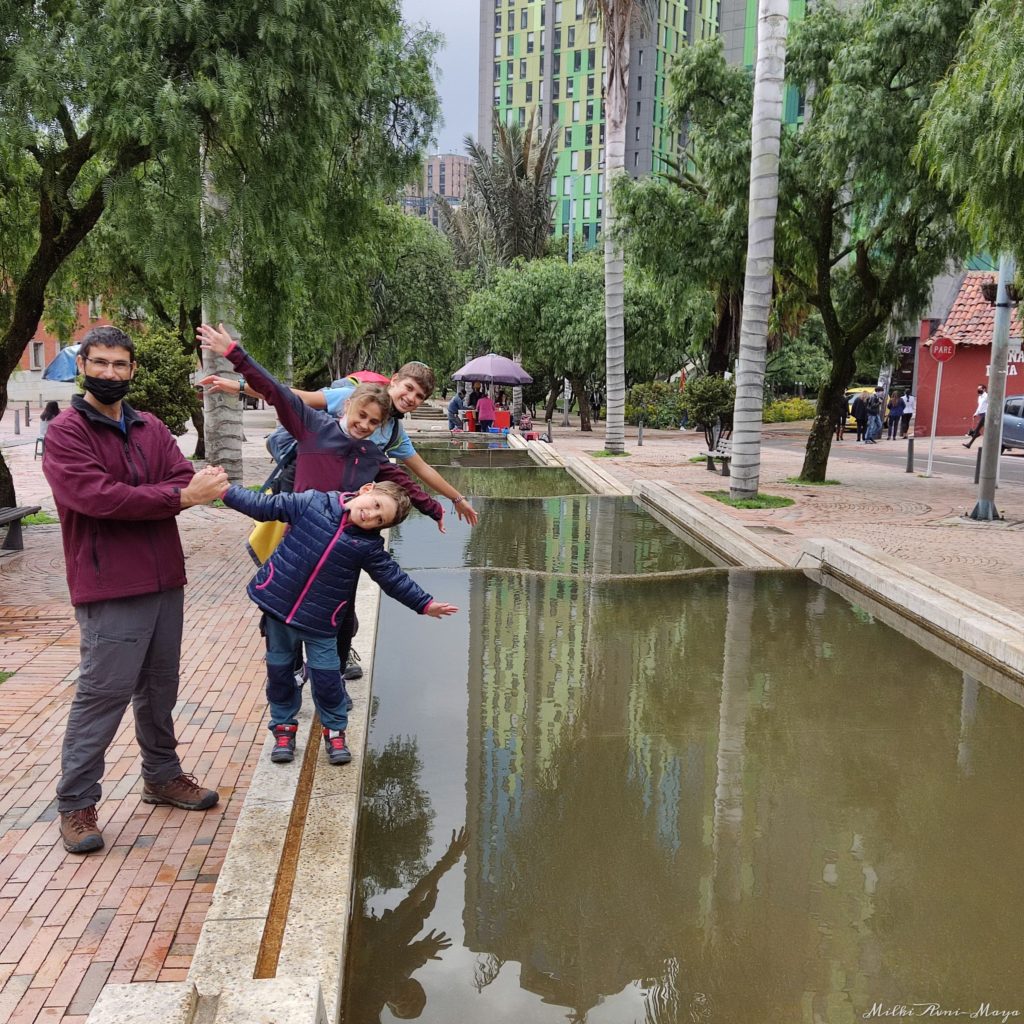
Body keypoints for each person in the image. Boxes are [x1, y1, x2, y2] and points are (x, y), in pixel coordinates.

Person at [41, 326, 227, 855]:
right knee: (103, 695)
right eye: (100, 364)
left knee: (160, 687)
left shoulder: (150, 426)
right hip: (109, 583)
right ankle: (76, 803)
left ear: (133, 370)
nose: (110, 374)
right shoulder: (67, 432)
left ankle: (161, 776)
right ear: (83, 367)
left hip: (165, 576)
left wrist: (176, 492)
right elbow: (98, 498)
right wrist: (179, 496)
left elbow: (179, 475)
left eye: (120, 365)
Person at [196, 325, 446, 709]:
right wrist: (234, 353)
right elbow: (277, 391)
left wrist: (437, 509)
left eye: (372, 424)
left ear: (380, 428)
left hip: (341, 551)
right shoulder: (313, 428)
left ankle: (334, 686)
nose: (363, 426)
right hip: (298, 541)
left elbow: (405, 483)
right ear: (348, 406)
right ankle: (291, 677)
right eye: (360, 416)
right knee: (279, 614)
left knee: (340, 618)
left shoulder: (372, 456)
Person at [219, 479, 457, 765]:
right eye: (376, 505)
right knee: (280, 675)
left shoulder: (367, 546)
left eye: (380, 519)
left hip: (321, 622)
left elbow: (392, 578)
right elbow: (264, 506)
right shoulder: (312, 502)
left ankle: (334, 732)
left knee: (328, 679)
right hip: (279, 611)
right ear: (367, 490)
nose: (371, 515)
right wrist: (224, 491)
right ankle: (283, 729)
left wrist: (424, 604)